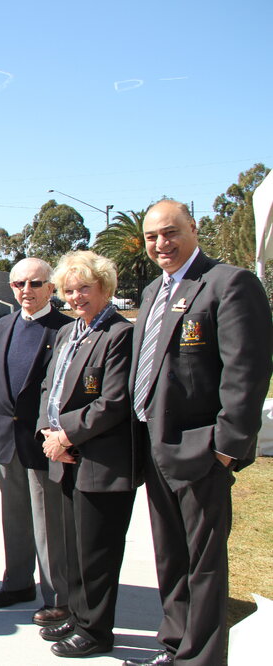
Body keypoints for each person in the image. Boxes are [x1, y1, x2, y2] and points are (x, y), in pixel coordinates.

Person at [123, 200, 272, 666]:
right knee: (170, 560)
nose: (160, 244)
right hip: (154, 446)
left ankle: (201, 660)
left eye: (170, 233)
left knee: (203, 567)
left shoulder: (229, 284)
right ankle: (173, 647)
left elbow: (246, 371)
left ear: (193, 227)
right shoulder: (152, 291)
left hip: (201, 451)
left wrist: (226, 448)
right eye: (151, 237)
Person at [36, 251, 137, 659]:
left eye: (84, 289)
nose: (76, 297)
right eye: (69, 290)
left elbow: (114, 401)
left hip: (100, 463)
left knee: (97, 552)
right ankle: (78, 616)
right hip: (65, 457)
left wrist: (65, 436)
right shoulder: (68, 332)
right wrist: (48, 428)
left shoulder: (119, 334)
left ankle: (96, 632)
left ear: (105, 288)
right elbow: (50, 387)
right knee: (75, 550)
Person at [0, 257, 71, 627]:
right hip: (7, 439)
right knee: (14, 518)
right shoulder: (2, 326)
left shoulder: (66, 329)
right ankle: (17, 584)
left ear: (51, 288)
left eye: (35, 284)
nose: (26, 291)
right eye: (19, 284)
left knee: (48, 524)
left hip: (43, 442)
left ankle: (57, 598)